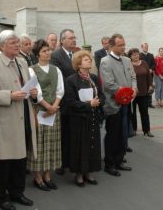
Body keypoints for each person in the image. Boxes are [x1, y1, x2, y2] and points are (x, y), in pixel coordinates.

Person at [0, 30, 38, 210]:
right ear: (2, 45)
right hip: (5, 120)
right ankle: (1, 197)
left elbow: (27, 87)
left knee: (20, 160)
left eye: (17, 42)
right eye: (13, 42)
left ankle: (17, 193)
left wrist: (33, 93)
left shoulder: (21, 61)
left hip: (23, 117)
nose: (17, 45)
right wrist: (10, 95)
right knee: (4, 161)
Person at [27, 39, 64, 191]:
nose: (48, 53)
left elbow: (60, 90)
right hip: (39, 111)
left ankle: (48, 175)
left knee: (52, 144)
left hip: (54, 111)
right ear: (37, 54)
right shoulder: (31, 70)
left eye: (49, 50)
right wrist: (48, 107)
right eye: (44, 51)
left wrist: (54, 106)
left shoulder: (56, 69)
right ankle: (38, 177)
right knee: (40, 144)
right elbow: (36, 92)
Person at [65, 50, 104, 187]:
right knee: (80, 145)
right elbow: (70, 102)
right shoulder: (71, 80)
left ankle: (89, 171)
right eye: (86, 59)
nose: (89, 61)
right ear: (78, 63)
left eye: (89, 59)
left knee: (92, 144)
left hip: (93, 117)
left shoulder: (93, 77)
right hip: (79, 119)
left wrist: (99, 101)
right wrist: (88, 104)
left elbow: (102, 94)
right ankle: (79, 174)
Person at [100, 33, 136, 177]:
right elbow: (108, 84)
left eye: (124, 44)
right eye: (120, 45)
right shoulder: (105, 61)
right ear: (111, 46)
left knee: (123, 133)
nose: (123, 47)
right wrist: (124, 92)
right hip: (113, 104)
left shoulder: (127, 60)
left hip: (127, 103)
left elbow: (133, 77)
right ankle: (109, 164)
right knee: (112, 134)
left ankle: (119, 160)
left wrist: (134, 89)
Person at [50, 28, 77, 175]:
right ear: (62, 40)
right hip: (64, 101)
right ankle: (62, 162)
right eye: (70, 38)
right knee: (64, 134)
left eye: (74, 38)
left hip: (77, 101)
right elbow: (58, 80)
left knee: (73, 133)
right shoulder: (56, 56)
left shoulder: (77, 54)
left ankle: (72, 159)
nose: (73, 40)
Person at [128, 48, 154, 137]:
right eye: (134, 54)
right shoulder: (129, 65)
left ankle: (147, 130)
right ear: (130, 56)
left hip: (144, 92)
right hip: (133, 93)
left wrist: (150, 85)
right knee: (133, 113)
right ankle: (134, 129)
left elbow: (148, 75)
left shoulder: (144, 63)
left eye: (137, 54)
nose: (136, 56)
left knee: (144, 112)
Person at [139, 43, 156, 108]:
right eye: (145, 47)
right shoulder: (140, 55)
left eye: (147, 47)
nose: (146, 48)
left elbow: (154, 64)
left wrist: (151, 69)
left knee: (150, 87)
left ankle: (149, 103)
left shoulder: (151, 55)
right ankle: (143, 103)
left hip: (150, 75)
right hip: (142, 75)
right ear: (142, 47)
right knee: (143, 88)